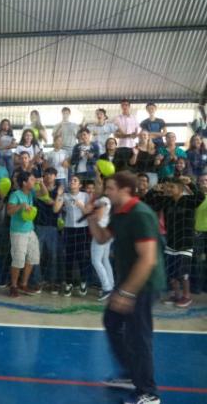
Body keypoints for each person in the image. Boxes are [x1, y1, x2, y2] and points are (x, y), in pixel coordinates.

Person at [87, 171, 164, 404]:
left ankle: (149, 393)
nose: (106, 192)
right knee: (112, 322)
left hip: (144, 284)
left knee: (138, 336)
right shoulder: (120, 213)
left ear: (125, 190)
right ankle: (131, 373)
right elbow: (102, 238)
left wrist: (127, 292)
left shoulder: (140, 214)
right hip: (128, 281)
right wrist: (92, 216)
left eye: (110, 188)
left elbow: (147, 259)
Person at [143, 177, 204, 308]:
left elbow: (200, 197)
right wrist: (153, 190)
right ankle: (176, 295)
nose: (169, 189)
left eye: (172, 187)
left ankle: (186, 297)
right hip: (171, 242)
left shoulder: (188, 200)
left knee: (183, 272)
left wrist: (190, 183)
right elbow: (147, 202)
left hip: (185, 242)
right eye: (168, 187)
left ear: (180, 189)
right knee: (171, 272)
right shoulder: (166, 201)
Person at [7, 171, 46, 297]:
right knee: (18, 259)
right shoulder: (15, 195)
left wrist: (41, 183)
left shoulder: (31, 193)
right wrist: (21, 205)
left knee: (32, 257)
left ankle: (23, 284)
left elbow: (44, 194)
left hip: (30, 231)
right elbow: (9, 211)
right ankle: (13, 286)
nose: (34, 181)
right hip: (18, 232)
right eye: (32, 180)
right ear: (24, 183)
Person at [33, 167, 63, 295]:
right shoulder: (38, 187)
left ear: (55, 176)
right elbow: (47, 199)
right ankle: (38, 282)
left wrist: (59, 195)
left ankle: (53, 282)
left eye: (51, 174)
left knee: (53, 256)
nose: (48, 176)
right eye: (46, 174)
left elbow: (56, 208)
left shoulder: (60, 190)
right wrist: (56, 198)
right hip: (39, 225)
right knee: (36, 256)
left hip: (53, 227)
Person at [62, 175, 92, 297]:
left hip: (82, 229)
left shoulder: (85, 196)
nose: (72, 182)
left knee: (81, 257)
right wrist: (59, 196)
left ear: (80, 185)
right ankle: (68, 283)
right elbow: (56, 209)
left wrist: (81, 205)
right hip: (69, 229)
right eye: (71, 180)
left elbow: (88, 213)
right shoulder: (65, 196)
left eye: (75, 180)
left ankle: (83, 282)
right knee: (69, 258)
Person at [89, 176, 114, 301]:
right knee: (104, 259)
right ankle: (111, 285)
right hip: (107, 232)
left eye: (98, 185)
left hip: (101, 232)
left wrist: (89, 214)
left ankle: (107, 287)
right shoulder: (105, 199)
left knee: (96, 260)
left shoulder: (103, 200)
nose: (95, 188)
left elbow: (98, 217)